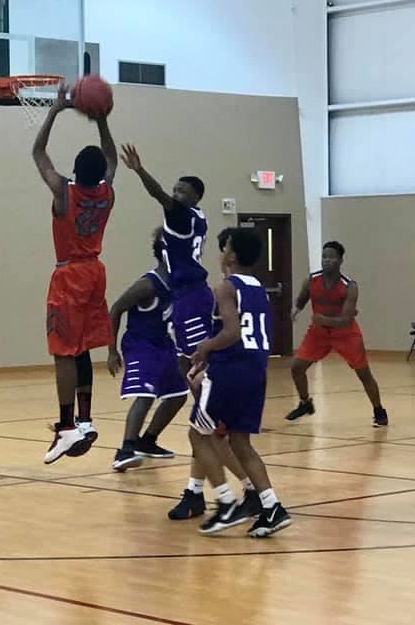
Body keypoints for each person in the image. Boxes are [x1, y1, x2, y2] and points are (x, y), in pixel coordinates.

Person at [120, 144, 255, 520]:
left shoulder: (181, 215)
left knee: (200, 392)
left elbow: (160, 196)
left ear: (194, 196)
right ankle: (195, 490)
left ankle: (247, 492)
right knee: (197, 408)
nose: (176, 194)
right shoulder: (192, 221)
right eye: (176, 190)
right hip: (186, 297)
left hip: (189, 298)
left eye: (183, 190)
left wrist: (140, 171)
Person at [184, 227, 292, 537]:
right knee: (240, 442)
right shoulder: (258, 287)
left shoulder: (225, 288)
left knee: (198, 436)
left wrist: (205, 347)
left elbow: (231, 332)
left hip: (229, 370)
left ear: (230, 254)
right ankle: (272, 507)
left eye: (224, 248)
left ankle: (226, 502)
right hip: (255, 370)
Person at [33, 83, 118, 464]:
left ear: (75, 172)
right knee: (81, 347)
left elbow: (38, 153)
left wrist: (54, 111)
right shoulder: (106, 193)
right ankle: (85, 419)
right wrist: (101, 122)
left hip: (68, 275)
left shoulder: (63, 192)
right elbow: (112, 160)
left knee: (61, 352)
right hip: (95, 273)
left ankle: (66, 427)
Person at [107, 229, 189, 472]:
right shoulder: (147, 284)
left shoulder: (180, 284)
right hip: (140, 344)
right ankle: (125, 450)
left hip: (164, 345)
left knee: (178, 395)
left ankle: (148, 440)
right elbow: (115, 309)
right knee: (145, 394)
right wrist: (111, 351)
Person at [286, 241, 388, 427]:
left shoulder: (349, 286)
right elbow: (301, 299)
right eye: (324, 256)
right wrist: (296, 309)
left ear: (340, 260)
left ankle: (379, 410)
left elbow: (346, 319)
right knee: (296, 367)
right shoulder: (311, 280)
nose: (327, 260)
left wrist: (324, 320)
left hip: (345, 334)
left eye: (331, 257)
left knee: (363, 373)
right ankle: (305, 403)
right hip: (318, 334)